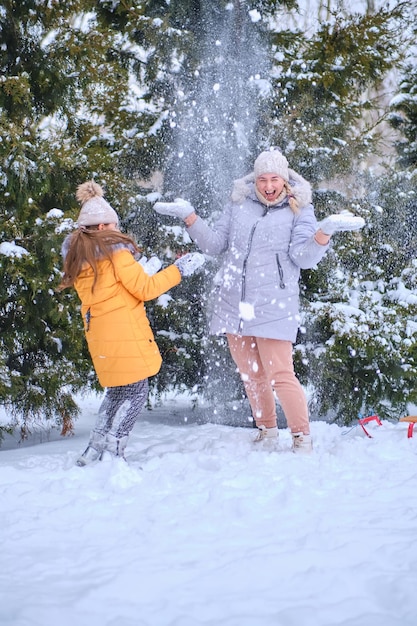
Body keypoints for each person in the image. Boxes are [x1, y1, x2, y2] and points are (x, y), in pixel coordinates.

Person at [153, 148, 365, 453]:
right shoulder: (239, 204)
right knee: (251, 374)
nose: (268, 185)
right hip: (233, 303)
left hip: (274, 303)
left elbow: (302, 258)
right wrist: (190, 216)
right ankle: (266, 430)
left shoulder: (299, 209)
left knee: (281, 374)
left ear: (284, 180)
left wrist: (323, 233)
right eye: (263, 179)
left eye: (274, 179)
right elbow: (215, 245)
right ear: (255, 180)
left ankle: (301, 436)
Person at [58, 181, 204, 465]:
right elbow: (145, 290)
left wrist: (143, 271)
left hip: (101, 335)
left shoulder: (81, 256)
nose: (116, 229)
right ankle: (114, 450)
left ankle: (95, 448)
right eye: (113, 224)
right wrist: (178, 271)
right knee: (137, 392)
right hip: (124, 332)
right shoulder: (115, 252)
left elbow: (115, 288)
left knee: (116, 392)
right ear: (101, 227)